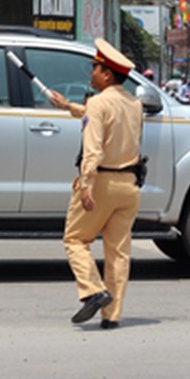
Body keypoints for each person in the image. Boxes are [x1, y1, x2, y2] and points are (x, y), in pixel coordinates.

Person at [49, 39, 144, 330]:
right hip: (129, 185)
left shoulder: (99, 103)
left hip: (100, 182)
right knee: (118, 252)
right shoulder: (134, 103)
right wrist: (68, 107)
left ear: (106, 75)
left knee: (75, 240)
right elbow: (104, 118)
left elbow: (93, 149)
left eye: (95, 68)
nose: (91, 73)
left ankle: (93, 291)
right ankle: (112, 315)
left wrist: (86, 185)